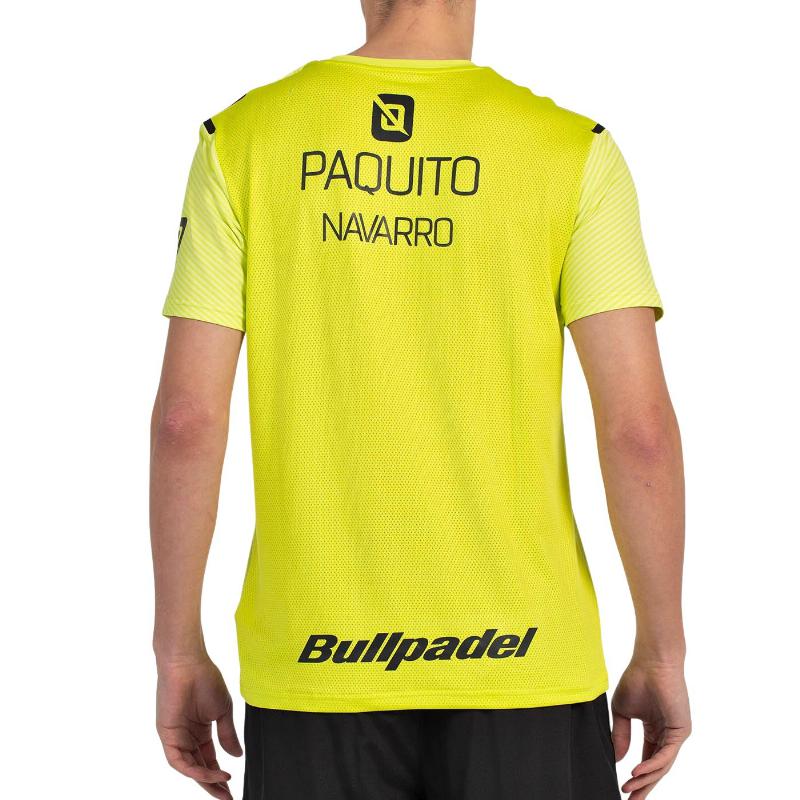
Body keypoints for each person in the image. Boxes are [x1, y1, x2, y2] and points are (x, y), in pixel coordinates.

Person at [150, 1, 691, 798]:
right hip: (524, 664)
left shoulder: (242, 141)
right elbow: (639, 429)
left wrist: (176, 650)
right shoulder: (572, 151)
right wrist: (662, 649)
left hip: (315, 665)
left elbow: (185, 422)